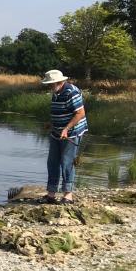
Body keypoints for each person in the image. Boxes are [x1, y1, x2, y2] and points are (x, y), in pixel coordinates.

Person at [41, 69, 87, 204]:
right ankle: (51, 194)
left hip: (72, 133)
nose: (49, 86)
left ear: (59, 82)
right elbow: (59, 111)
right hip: (56, 131)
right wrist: (51, 123)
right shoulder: (56, 92)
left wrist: (66, 129)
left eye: (50, 84)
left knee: (67, 162)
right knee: (52, 162)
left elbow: (80, 113)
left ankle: (68, 195)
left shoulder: (71, 92)